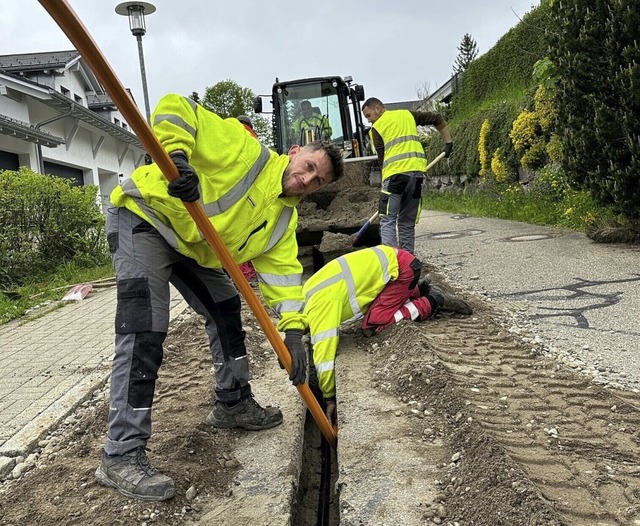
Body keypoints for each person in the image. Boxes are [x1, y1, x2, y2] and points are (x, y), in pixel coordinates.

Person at [95, 93, 344, 501]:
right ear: (295, 152)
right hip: (146, 217)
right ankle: (120, 453)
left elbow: (285, 282)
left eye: (318, 181)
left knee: (227, 308)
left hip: (191, 245)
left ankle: (232, 403)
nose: (306, 180)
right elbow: (177, 106)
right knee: (145, 328)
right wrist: (178, 158)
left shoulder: (283, 220)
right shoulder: (245, 149)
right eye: (308, 167)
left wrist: (295, 333)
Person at [300, 245, 472, 424]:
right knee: (376, 308)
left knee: (373, 324)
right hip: (396, 265)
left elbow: (324, 356)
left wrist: (329, 396)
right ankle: (421, 289)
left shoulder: (318, 309)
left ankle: (433, 299)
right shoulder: (307, 292)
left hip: (401, 270)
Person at [361, 97, 454, 254]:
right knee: (406, 222)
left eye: (368, 116)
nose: (369, 121)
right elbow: (436, 117)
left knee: (388, 219)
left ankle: (393, 264)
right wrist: (448, 142)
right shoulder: (407, 114)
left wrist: (384, 188)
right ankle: (408, 265)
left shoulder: (377, 128)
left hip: (394, 177)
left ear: (378, 108)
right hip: (417, 176)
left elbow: (382, 158)